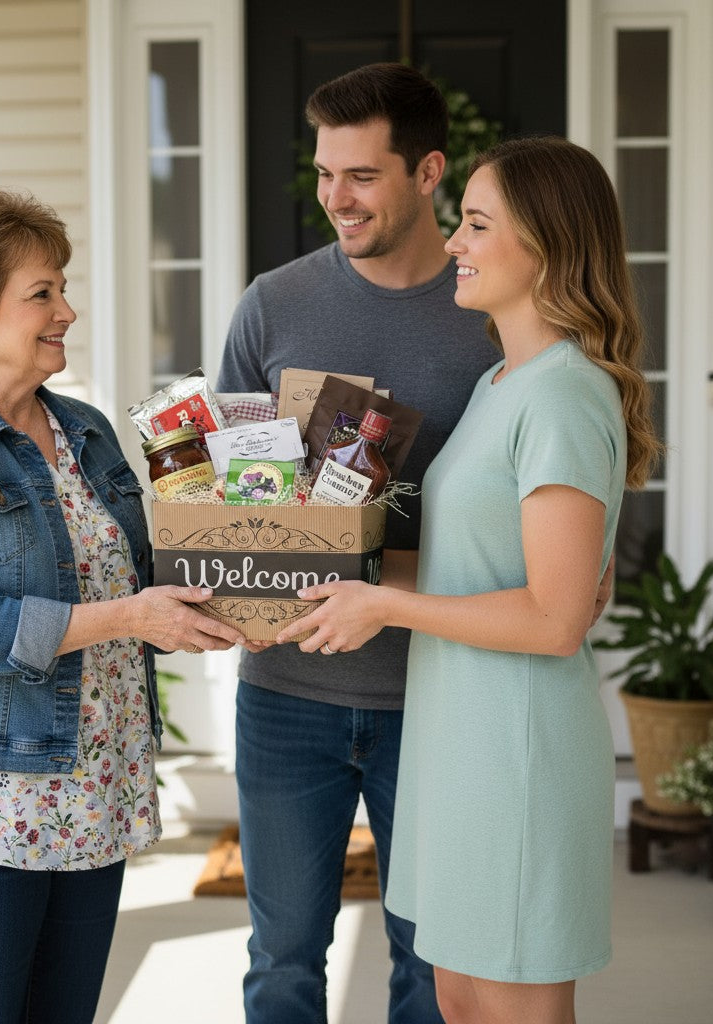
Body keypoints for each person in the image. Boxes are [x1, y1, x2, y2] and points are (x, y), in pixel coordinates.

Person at [276, 137, 661, 1024]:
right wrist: (310, 564)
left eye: (477, 224)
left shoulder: (564, 395)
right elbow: (465, 566)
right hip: (457, 740)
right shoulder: (501, 381)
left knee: (513, 1004)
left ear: (550, 248)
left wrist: (382, 604)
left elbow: (555, 618)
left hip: (515, 752)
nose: (453, 241)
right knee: (457, 997)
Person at [0, 187, 246, 1024]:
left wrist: (257, 552)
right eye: (42, 293)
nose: (67, 310)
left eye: (61, 287)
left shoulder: (87, 430)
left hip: (94, 784)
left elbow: (143, 576)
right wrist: (133, 618)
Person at [216, 62, 502, 1024]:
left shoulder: (491, 317)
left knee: (430, 961)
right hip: (287, 696)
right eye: (325, 173)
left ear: (428, 173)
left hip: (437, 691)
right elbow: (233, 497)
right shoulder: (272, 306)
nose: (337, 197)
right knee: (283, 958)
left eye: (363, 175)